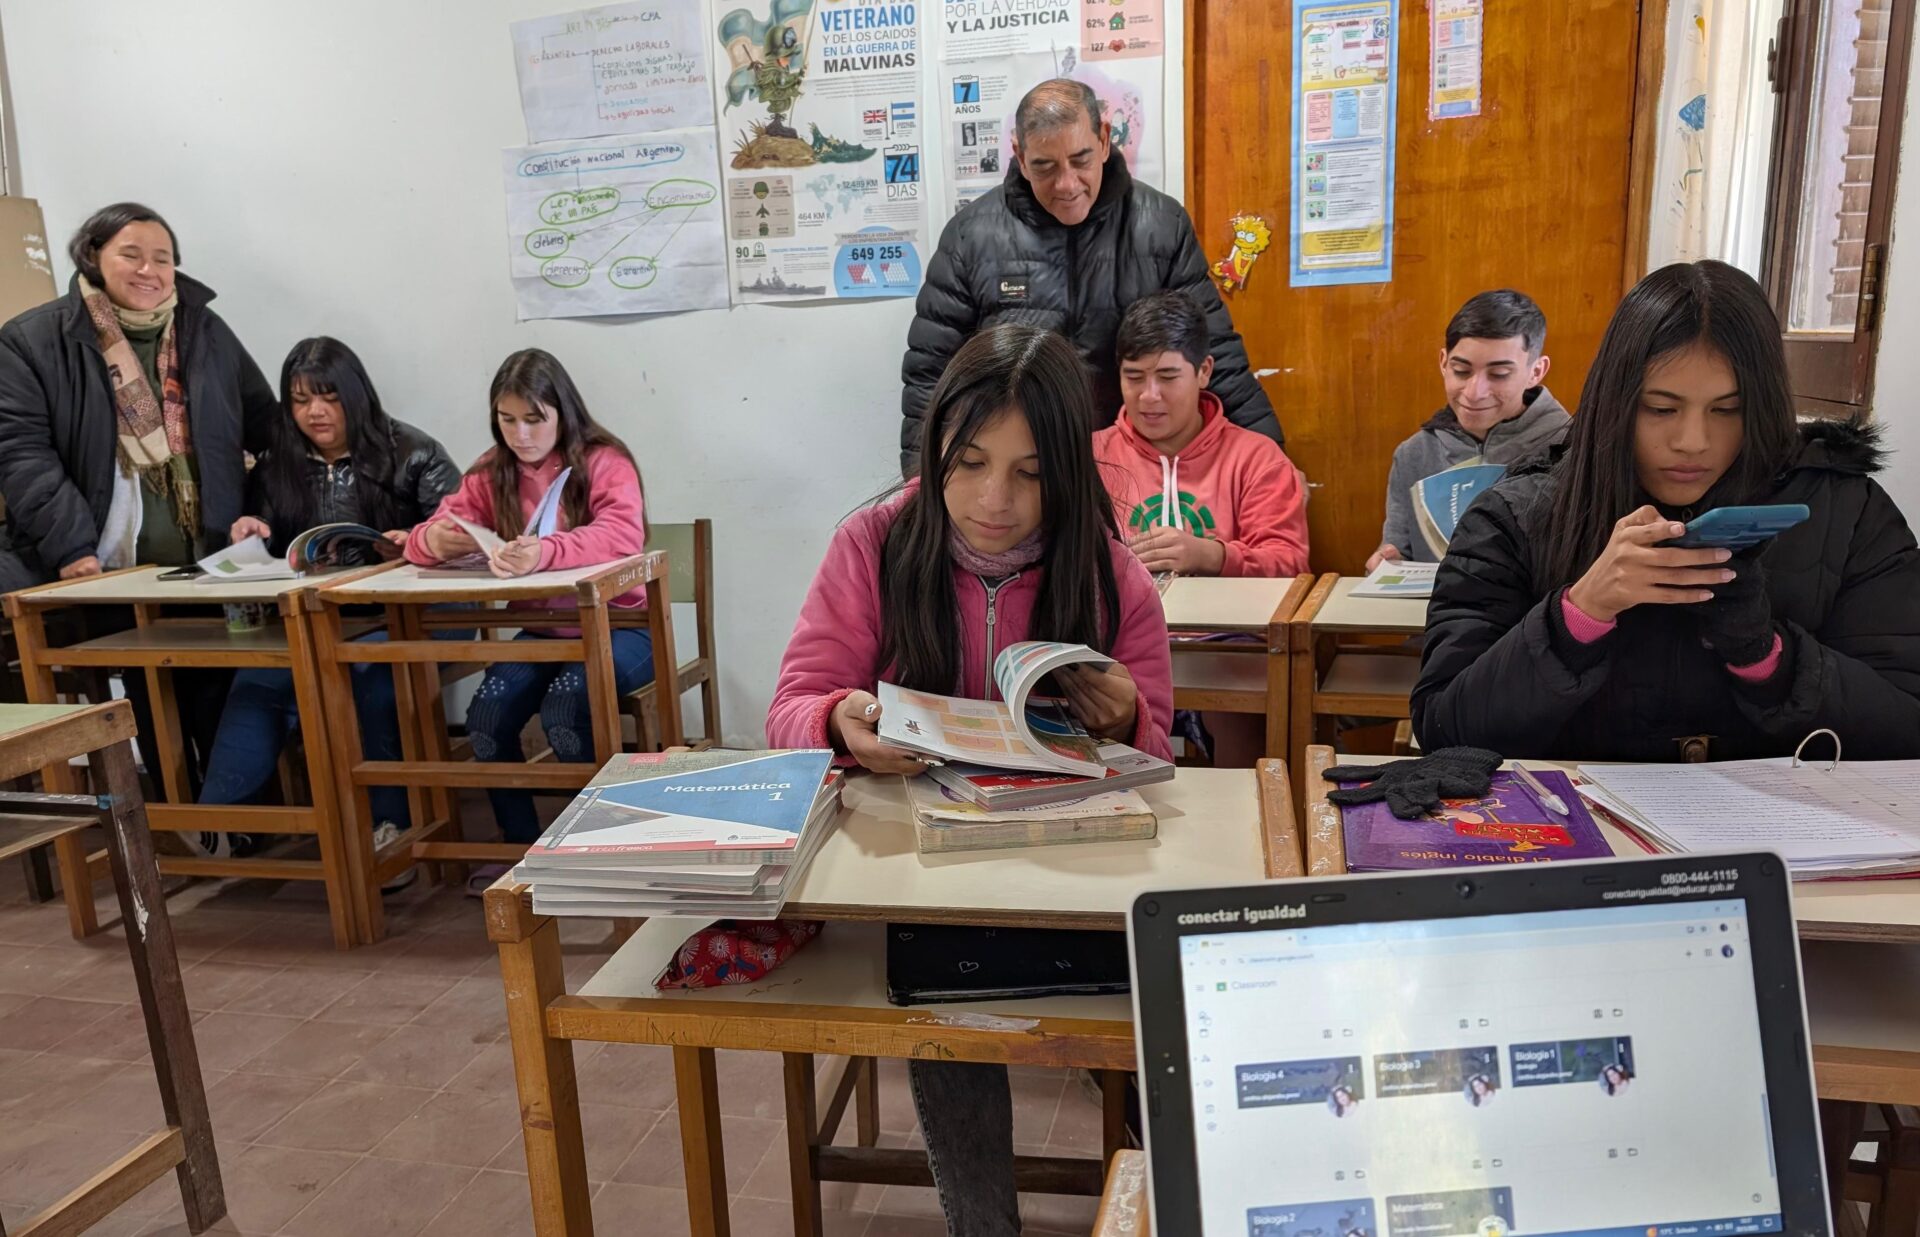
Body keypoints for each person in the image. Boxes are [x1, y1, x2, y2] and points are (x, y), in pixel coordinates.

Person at [769, 324, 1174, 1235]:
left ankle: (1159, 1199)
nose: (993, 499)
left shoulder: (1110, 574)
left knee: (1167, 996)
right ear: (934, 450)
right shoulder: (875, 541)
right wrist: (839, 717)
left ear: (1067, 472)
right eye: (970, 462)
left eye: (1030, 474)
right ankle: (983, 1225)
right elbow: (792, 701)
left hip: (1078, 867)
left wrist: (1128, 719)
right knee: (950, 1002)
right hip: (927, 868)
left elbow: (1163, 749)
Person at [1414, 260, 1920, 761]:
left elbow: (1904, 723)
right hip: (1578, 831)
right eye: (1660, 408)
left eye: (1728, 409)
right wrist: (1579, 614)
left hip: (1786, 834)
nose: (1691, 442)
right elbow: (1445, 726)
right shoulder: (1515, 514)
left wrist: (1765, 656)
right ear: (1616, 402)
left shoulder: (1846, 511)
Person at [0, 202, 279, 792]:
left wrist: (260, 511)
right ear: (93, 257)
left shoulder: (205, 330)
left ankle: (229, 818)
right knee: (150, 683)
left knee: (219, 679)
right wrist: (73, 546)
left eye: (163, 258)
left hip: (205, 563)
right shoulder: (33, 340)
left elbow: (267, 427)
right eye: (131, 254)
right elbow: (21, 453)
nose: (148, 270)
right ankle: (182, 813)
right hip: (101, 569)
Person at [900, 78, 1280, 475]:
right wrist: (918, 481)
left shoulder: (1161, 226)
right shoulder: (970, 236)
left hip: (1128, 471)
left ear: (1103, 139)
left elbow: (1212, 351)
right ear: (1020, 154)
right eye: (1045, 166)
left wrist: (1270, 461)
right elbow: (931, 373)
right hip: (1016, 468)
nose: (1066, 185)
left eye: (1080, 160)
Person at [194, 338, 460, 860]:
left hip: (419, 615)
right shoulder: (278, 465)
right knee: (260, 676)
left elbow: (464, 532)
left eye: (328, 396)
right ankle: (220, 821)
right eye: (299, 400)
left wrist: (419, 543)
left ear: (355, 395)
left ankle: (393, 829)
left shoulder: (413, 451)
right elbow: (272, 547)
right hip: (323, 619)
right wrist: (253, 534)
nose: (314, 412)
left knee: (371, 676)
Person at [405, 349, 653, 871]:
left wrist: (546, 550)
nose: (521, 435)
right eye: (507, 420)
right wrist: (438, 542)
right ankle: (519, 850)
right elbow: (425, 536)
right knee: (487, 717)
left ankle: (602, 847)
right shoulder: (490, 471)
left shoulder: (603, 460)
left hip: (620, 627)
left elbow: (623, 534)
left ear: (562, 411)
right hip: (542, 631)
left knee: (567, 709)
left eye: (534, 419)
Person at [1094, 291, 1309, 578]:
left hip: (1225, 622)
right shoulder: (1092, 456)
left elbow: (1289, 565)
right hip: (1121, 622)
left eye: (1168, 377)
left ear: (1203, 371)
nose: (1148, 396)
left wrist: (1213, 556)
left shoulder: (1257, 459)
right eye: (1133, 377)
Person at [1368, 290, 1570, 570]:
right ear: (1443, 363)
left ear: (1536, 372)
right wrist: (1387, 562)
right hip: (1434, 611)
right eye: (1461, 371)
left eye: (1499, 375)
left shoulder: (1573, 447)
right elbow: (1398, 549)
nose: (1475, 393)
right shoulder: (1414, 454)